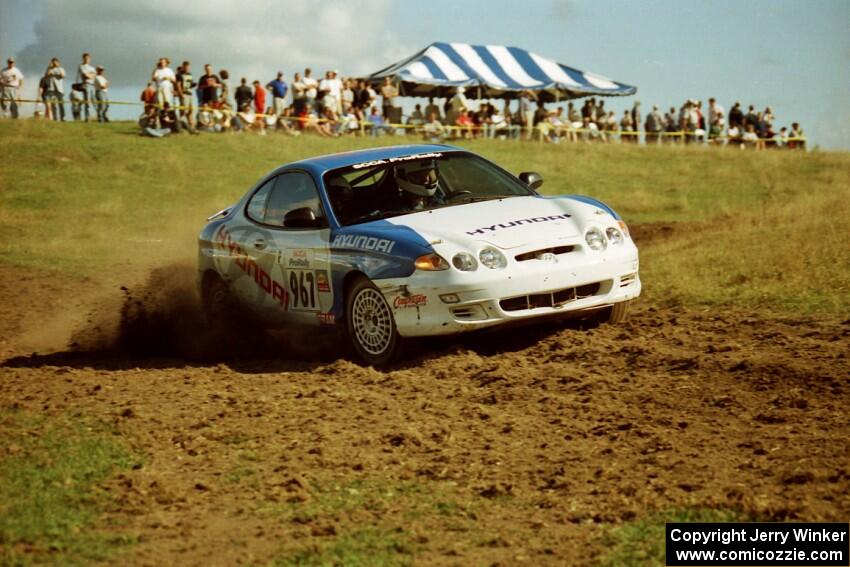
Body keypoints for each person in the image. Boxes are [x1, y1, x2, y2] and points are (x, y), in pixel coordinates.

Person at [175, 61, 196, 131]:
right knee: (183, 111)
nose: (187, 68)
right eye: (186, 66)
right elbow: (178, 85)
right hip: (184, 94)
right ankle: (180, 127)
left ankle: (191, 127)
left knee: (190, 111)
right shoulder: (179, 75)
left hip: (190, 94)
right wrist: (181, 95)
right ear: (183, 66)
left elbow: (190, 84)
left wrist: (194, 84)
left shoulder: (190, 74)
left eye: (188, 67)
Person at [76, 53, 96, 121]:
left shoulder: (92, 67)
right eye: (85, 58)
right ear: (83, 59)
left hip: (92, 85)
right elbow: (85, 75)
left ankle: (99, 117)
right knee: (87, 102)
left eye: (88, 58)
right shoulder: (81, 66)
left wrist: (90, 75)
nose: (87, 59)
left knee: (94, 101)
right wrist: (91, 75)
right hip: (86, 85)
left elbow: (94, 75)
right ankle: (88, 118)